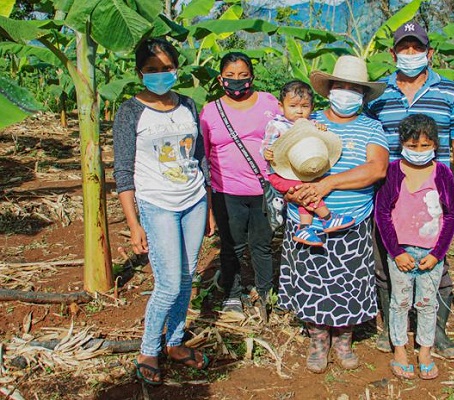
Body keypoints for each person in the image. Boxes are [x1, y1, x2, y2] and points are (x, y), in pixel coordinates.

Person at [366, 20, 454, 358]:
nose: (410, 54)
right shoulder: (378, 93)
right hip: (388, 193)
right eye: (404, 48)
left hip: (434, 195)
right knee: (387, 263)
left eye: (416, 48)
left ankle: (435, 333)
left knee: (436, 264)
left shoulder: (450, 91)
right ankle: (391, 331)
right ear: (393, 53)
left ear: (429, 52)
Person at [277, 55, 389, 373]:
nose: (347, 93)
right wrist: (290, 190)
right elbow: (280, 161)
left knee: (349, 283)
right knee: (311, 280)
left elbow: (377, 168)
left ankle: (343, 341)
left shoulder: (371, 127)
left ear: (364, 95)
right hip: (306, 221)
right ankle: (318, 342)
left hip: (350, 221)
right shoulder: (304, 124)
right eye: (341, 86)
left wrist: (328, 184)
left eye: (355, 88)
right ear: (329, 90)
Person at [113, 38, 213, 385]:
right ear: (140, 73)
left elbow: (200, 159)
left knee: (187, 276)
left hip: (194, 200)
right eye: (151, 71)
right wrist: (134, 223)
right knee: (169, 284)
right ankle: (147, 349)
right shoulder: (130, 111)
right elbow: (123, 171)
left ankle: (174, 342)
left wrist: (209, 207)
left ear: (176, 69)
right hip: (157, 204)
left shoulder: (187, 104)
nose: (159, 76)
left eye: (166, 69)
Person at [375, 114, 454, 380]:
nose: (419, 151)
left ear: (435, 145)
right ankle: (399, 349)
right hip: (401, 253)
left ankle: (425, 350)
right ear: (402, 145)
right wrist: (396, 252)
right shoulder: (393, 172)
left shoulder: (443, 173)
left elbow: (450, 216)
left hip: (431, 254)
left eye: (425, 146)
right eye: (413, 146)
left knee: (426, 302)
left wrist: (437, 254)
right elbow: (383, 214)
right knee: (399, 302)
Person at [200, 52, 279, 314]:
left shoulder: (269, 103)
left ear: (252, 77)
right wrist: (208, 199)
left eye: (243, 76)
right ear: (221, 78)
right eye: (230, 76)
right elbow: (204, 155)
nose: (236, 81)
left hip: (263, 190)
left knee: (262, 244)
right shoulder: (210, 111)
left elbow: (289, 130)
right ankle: (232, 293)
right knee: (232, 245)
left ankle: (266, 292)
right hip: (226, 191)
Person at [261, 80, 355, 247]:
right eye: (293, 106)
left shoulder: (310, 124)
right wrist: (266, 152)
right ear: (281, 107)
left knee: (304, 192)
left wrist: (319, 128)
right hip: (279, 173)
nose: (299, 111)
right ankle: (327, 218)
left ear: (312, 107)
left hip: (301, 171)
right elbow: (265, 147)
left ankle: (305, 227)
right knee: (306, 191)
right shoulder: (276, 125)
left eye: (304, 106)